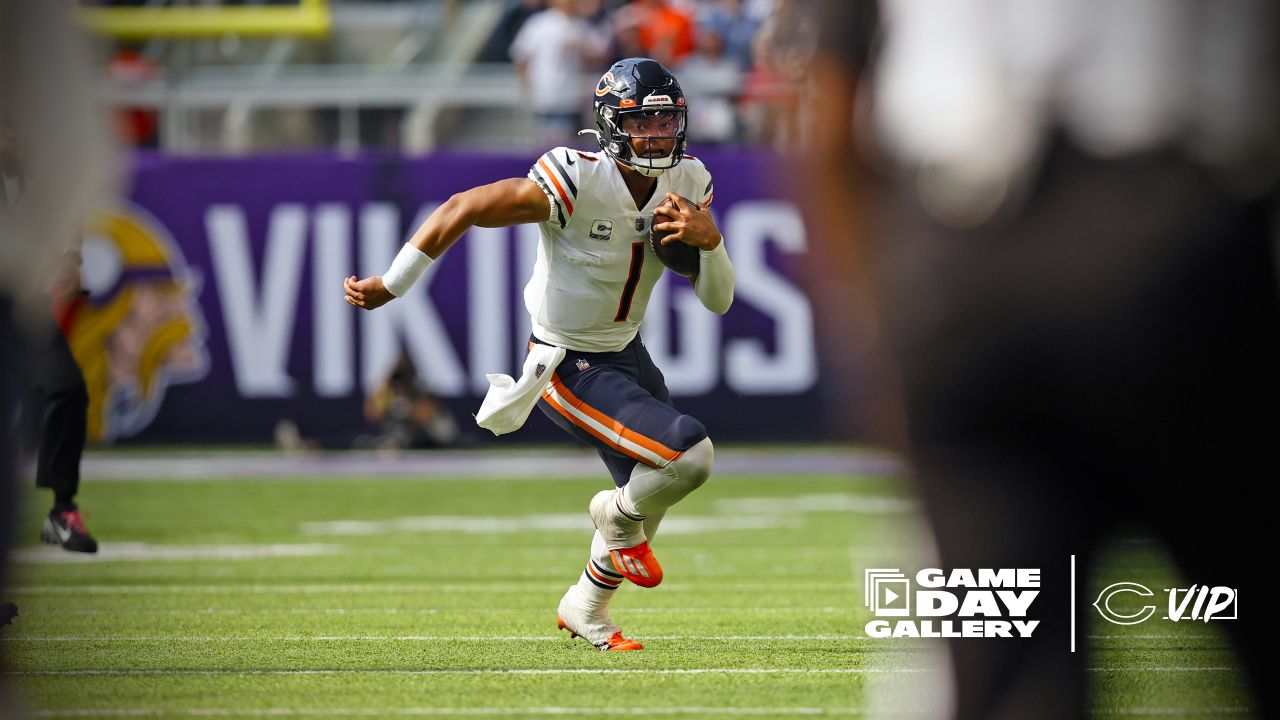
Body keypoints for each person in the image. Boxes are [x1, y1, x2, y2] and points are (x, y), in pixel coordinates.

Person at [805, 1, 1278, 718]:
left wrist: (878, 340)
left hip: (967, 264)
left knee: (1007, 675)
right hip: (1189, 239)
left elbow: (832, 115)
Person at [345, 57, 734, 652]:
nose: (656, 134)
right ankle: (613, 513)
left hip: (626, 353)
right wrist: (392, 284)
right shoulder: (576, 179)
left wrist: (714, 245)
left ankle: (585, 607)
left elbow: (718, 301)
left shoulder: (689, 182)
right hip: (566, 363)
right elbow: (463, 207)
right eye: (641, 121)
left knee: (651, 494)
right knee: (688, 458)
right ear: (610, 125)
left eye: (665, 119)